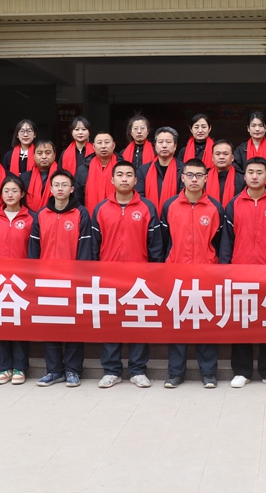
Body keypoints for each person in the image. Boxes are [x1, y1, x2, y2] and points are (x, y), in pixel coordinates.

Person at [220, 158, 266, 389]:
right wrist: (225, 270)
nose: (254, 176)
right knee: (241, 322)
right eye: (250, 172)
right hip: (240, 272)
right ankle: (242, 371)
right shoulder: (234, 203)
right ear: (244, 176)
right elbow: (226, 241)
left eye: (259, 172)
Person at [90, 160, 164, 389]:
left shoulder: (147, 207)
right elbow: (94, 245)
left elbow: (155, 245)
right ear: (112, 180)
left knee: (138, 322)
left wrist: (154, 273)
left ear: (135, 180)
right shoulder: (101, 208)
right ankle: (111, 370)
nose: (124, 178)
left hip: (139, 277)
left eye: (129, 175)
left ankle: (138, 370)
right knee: (110, 323)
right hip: (108, 276)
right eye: (120, 174)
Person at [160, 159, 225, 389]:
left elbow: (219, 241)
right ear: (182, 178)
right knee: (178, 324)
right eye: (190, 175)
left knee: (206, 323)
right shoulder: (170, 205)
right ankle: (175, 373)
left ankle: (208, 373)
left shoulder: (215, 207)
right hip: (177, 272)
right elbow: (164, 240)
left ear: (206, 178)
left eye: (199, 175)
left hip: (206, 273)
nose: (194, 179)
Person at [29, 170, 95, 388]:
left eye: (64, 185)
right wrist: (34, 277)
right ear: (50, 189)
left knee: (74, 325)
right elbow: (34, 249)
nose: (60, 188)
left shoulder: (81, 213)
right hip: (47, 281)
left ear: (72, 189)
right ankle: (54, 370)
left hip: (73, 281)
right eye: (56, 185)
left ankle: (73, 370)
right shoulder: (41, 214)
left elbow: (86, 248)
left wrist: (81, 279)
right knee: (51, 326)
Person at [0, 175, 34, 386]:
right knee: (1, 323)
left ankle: (20, 367)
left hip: (22, 280)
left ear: (22, 194)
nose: (10, 194)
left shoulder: (31, 218)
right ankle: (4, 367)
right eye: (6, 191)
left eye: (14, 191)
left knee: (20, 324)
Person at [137, 127, 182, 213]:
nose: (164, 145)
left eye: (168, 142)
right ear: (155, 146)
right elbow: (139, 198)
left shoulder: (183, 170)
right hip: (149, 216)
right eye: (160, 142)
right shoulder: (143, 170)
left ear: (175, 146)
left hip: (176, 216)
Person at [75, 131, 119, 210]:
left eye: (107, 142)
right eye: (99, 143)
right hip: (90, 215)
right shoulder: (82, 170)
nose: (103, 146)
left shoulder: (122, 168)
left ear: (113, 145)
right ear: (94, 147)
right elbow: (77, 198)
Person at [19, 139, 58, 212]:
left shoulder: (62, 177)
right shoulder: (23, 178)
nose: (44, 156)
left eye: (48, 153)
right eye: (39, 153)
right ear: (34, 156)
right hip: (29, 216)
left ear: (54, 155)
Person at [207, 140, 243, 205]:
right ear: (212, 158)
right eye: (217, 154)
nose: (221, 157)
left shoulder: (242, 179)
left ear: (232, 158)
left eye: (225, 154)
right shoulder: (204, 177)